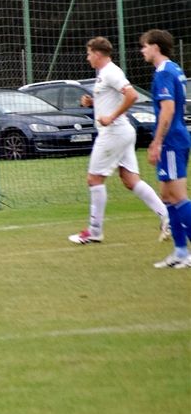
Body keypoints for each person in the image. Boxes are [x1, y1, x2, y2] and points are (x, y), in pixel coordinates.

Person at [69, 37, 170, 245]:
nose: (87, 58)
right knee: (130, 179)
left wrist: (111, 117)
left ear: (97, 54)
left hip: (113, 132)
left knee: (94, 179)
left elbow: (132, 96)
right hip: (121, 132)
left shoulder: (111, 72)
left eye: (89, 54)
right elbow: (112, 99)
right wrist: (93, 103)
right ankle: (166, 216)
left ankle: (94, 231)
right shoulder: (103, 74)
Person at [139, 29, 191, 269]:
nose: (143, 51)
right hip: (175, 139)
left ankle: (185, 252)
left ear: (156, 47)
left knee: (179, 197)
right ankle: (180, 252)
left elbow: (168, 111)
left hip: (171, 141)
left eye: (145, 46)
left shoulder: (164, 73)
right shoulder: (174, 69)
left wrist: (157, 142)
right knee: (167, 196)